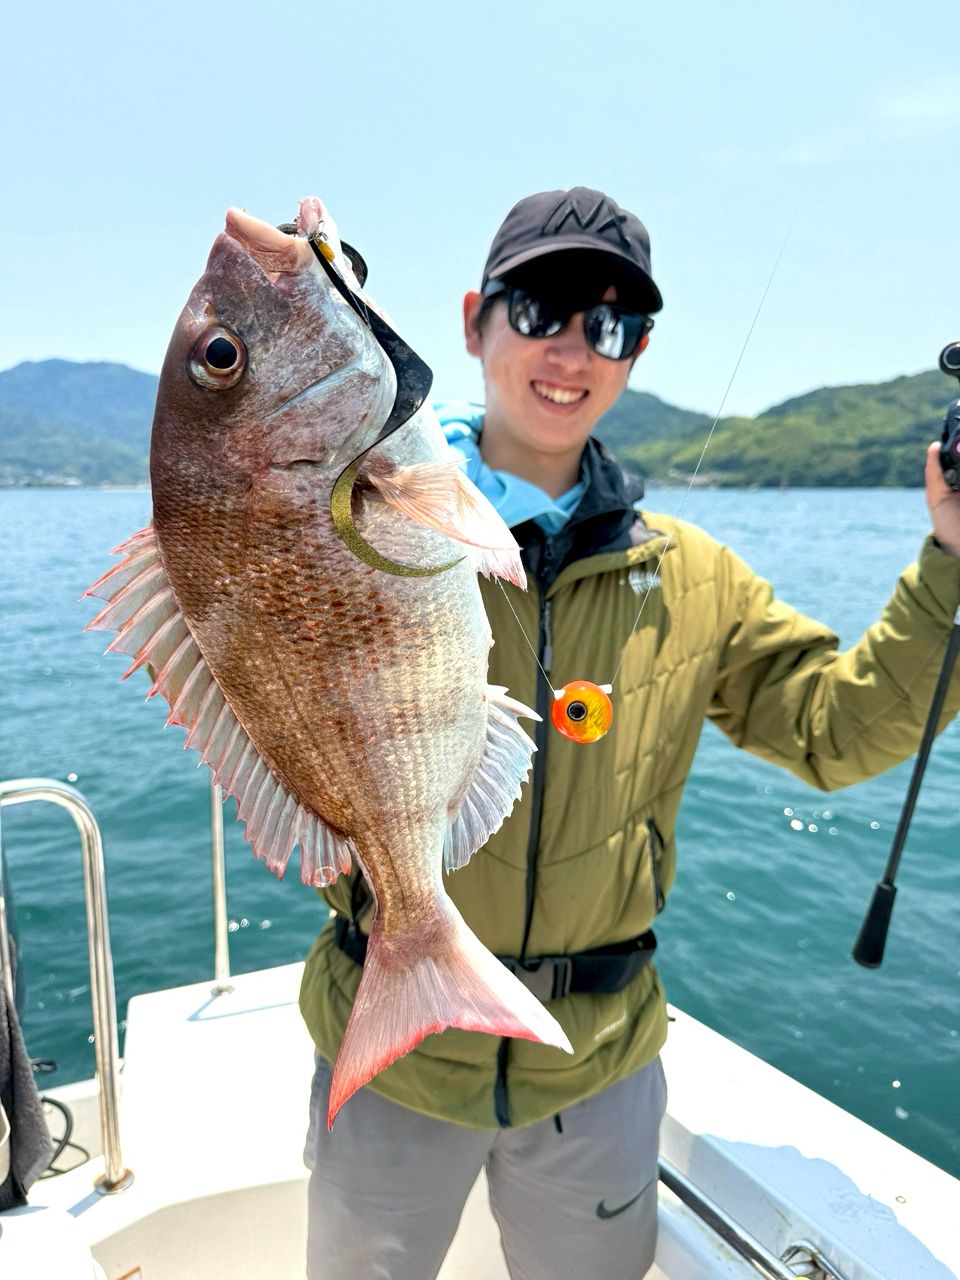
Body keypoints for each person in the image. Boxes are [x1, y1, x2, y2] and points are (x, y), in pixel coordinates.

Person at [298, 186, 960, 1279]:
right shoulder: (367, 530)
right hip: (393, 1053)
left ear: (637, 351)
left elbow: (834, 729)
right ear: (474, 320)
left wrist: (950, 561)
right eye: (544, 307)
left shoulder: (691, 575)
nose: (573, 349)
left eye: (610, 326)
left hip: (591, 1071)